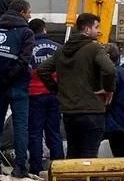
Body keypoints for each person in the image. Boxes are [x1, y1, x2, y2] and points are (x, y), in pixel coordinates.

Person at [38, 13, 116, 159]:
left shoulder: (61, 51)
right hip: (92, 109)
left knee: (73, 152)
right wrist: (108, 88)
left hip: (69, 111)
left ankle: (72, 174)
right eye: (96, 27)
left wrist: (57, 90)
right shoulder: (94, 49)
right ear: (87, 29)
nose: (99, 31)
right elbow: (110, 69)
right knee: (89, 155)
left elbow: (42, 70)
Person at [0, 0, 34, 177]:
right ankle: (20, 167)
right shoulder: (26, 32)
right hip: (17, 86)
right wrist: (9, 78)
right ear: (21, 12)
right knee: (20, 126)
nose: (30, 15)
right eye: (28, 12)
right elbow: (24, 61)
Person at [27, 19, 63, 174]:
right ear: (45, 29)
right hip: (54, 94)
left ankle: (36, 168)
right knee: (54, 132)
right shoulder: (58, 48)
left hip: (34, 95)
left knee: (35, 133)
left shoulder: (28, 47)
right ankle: (59, 167)